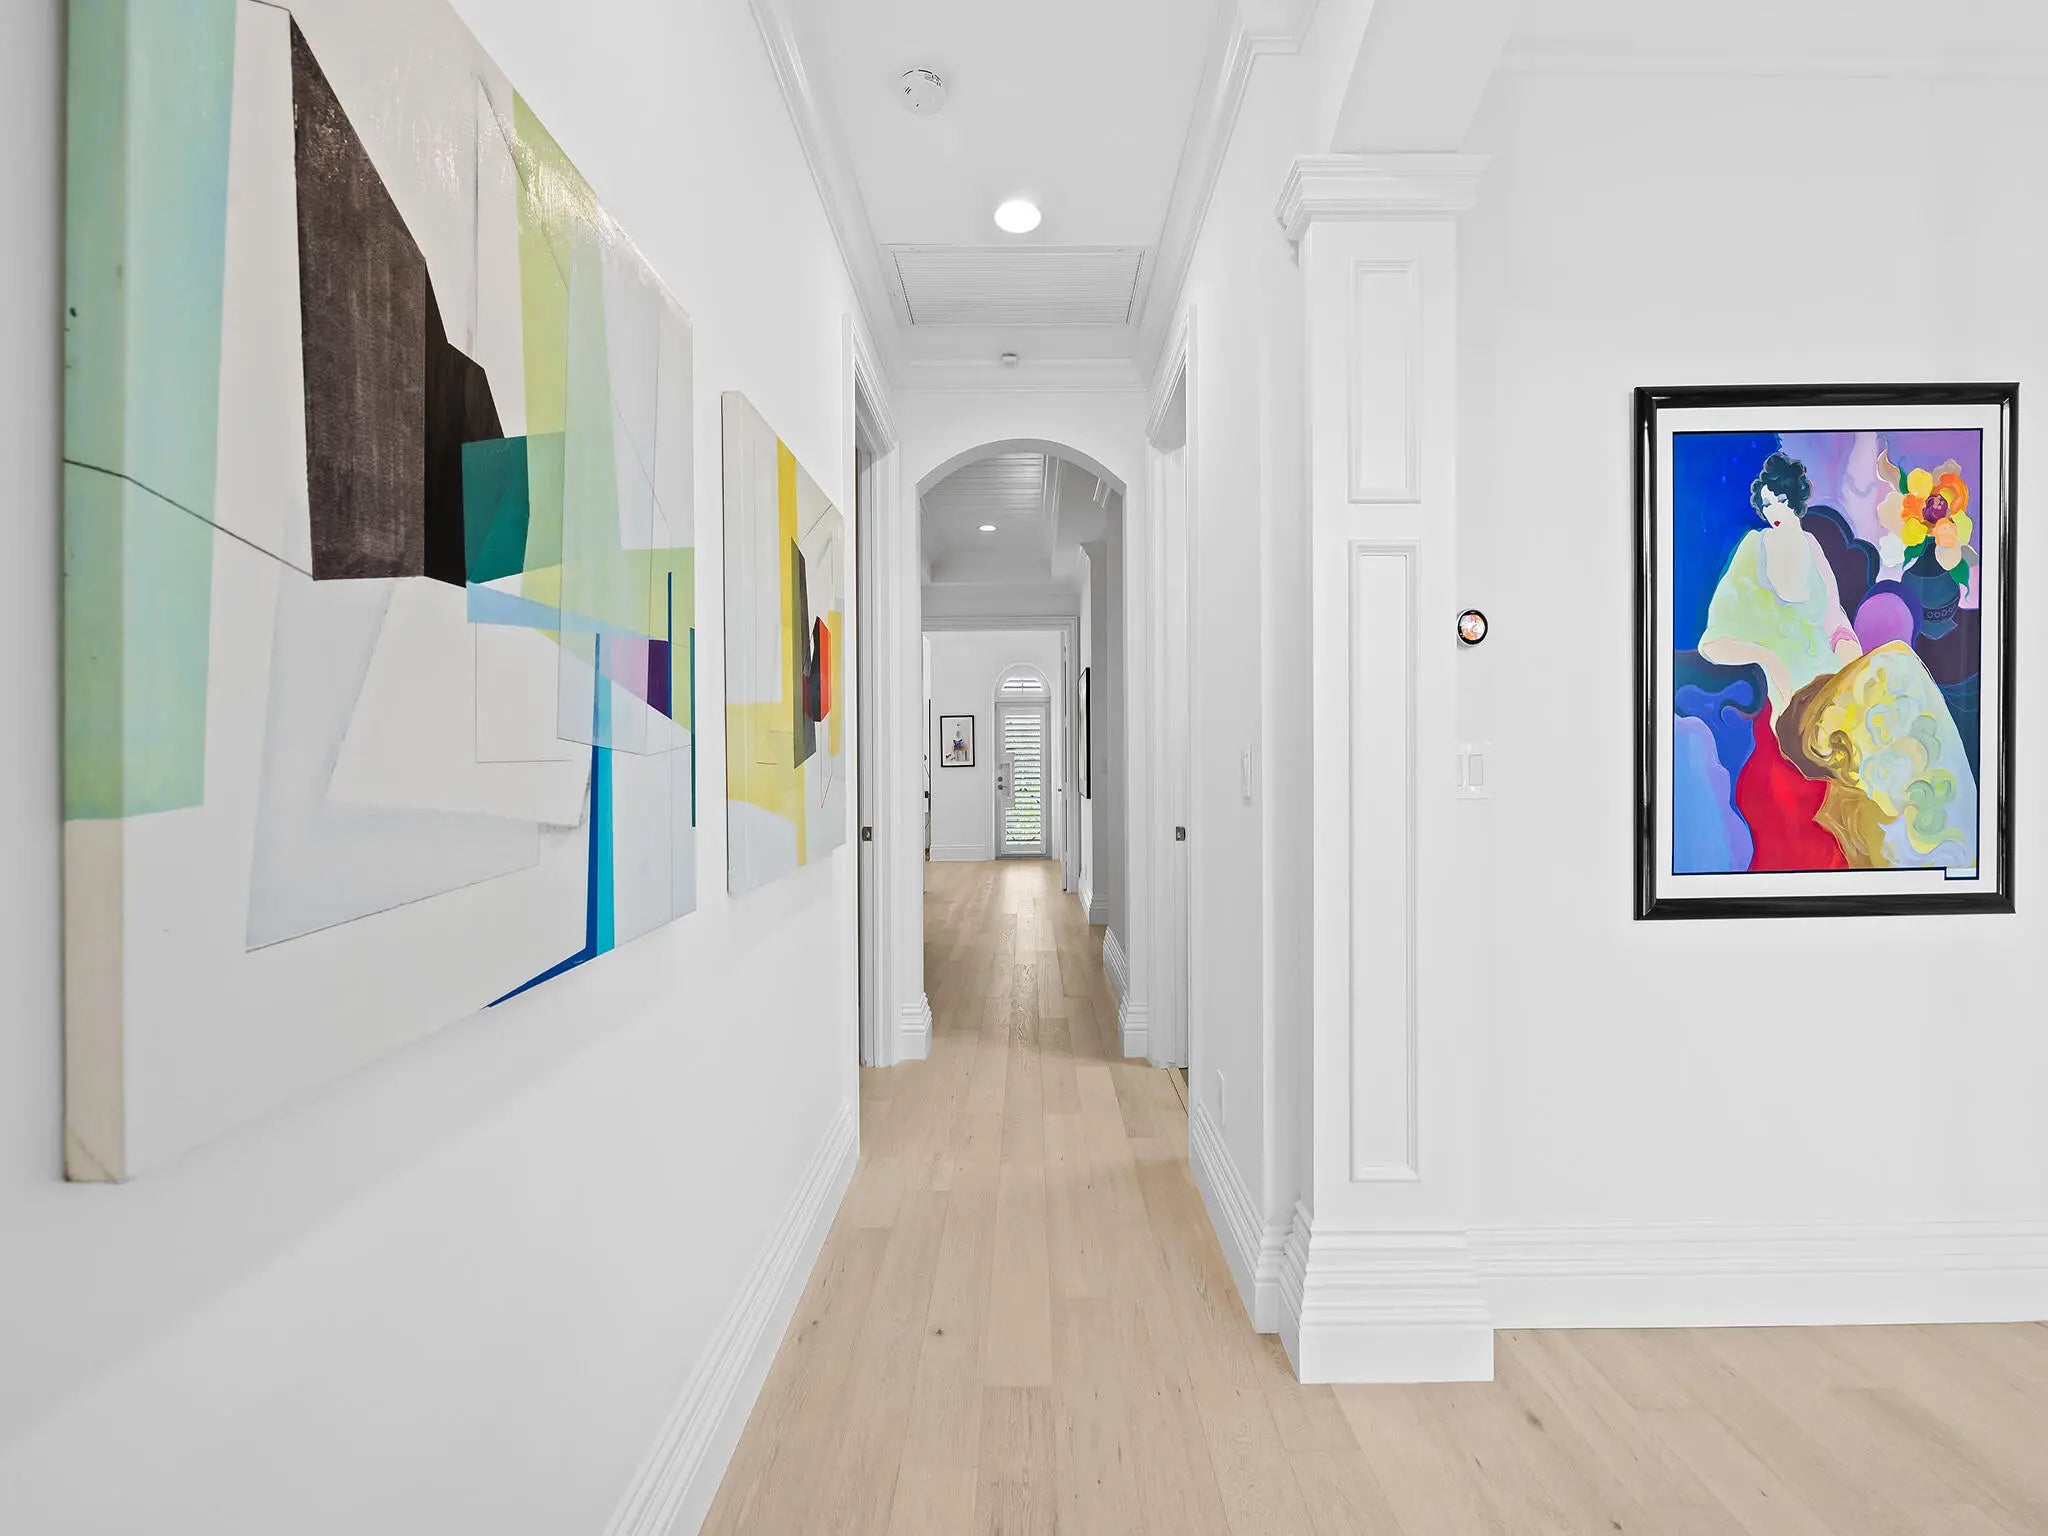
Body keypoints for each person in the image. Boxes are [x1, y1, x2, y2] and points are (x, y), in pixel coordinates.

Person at [1696, 451, 1861, 715]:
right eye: (1767, 503)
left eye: (1780, 500)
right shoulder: (1754, 547)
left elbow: (1833, 618)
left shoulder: (1811, 545)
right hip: (1784, 687)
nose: (1773, 510)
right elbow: (1714, 641)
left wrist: (1855, 668)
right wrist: (1768, 659)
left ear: (1795, 498)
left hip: (1828, 675)